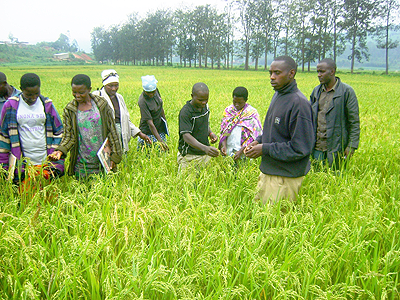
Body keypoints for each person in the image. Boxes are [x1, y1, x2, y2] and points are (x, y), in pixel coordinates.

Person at [245, 56, 314, 205]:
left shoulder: (299, 104)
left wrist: (265, 149)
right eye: (270, 72)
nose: (272, 77)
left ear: (291, 73)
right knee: (261, 218)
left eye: (277, 73)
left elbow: (300, 148)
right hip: (269, 172)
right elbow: (276, 132)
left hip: (284, 178)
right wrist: (259, 141)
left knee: (276, 223)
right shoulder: (278, 95)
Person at [48, 74, 122, 179]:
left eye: (81, 92)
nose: (77, 95)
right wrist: (60, 151)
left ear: (89, 89)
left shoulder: (101, 105)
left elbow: (112, 131)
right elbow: (69, 136)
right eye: (74, 92)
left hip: (103, 161)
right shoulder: (70, 110)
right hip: (82, 164)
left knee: (105, 192)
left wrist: (115, 156)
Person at [0, 73, 64, 193]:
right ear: (21, 89)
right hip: (23, 163)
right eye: (29, 94)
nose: (33, 97)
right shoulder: (11, 105)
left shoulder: (46, 104)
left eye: (36, 93)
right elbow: (3, 136)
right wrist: (3, 165)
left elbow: (59, 131)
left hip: (44, 161)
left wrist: (54, 154)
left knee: (47, 198)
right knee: (26, 198)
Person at [310, 58, 360, 169]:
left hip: (337, 147)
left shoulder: (346, 92)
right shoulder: (316, 91)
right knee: (317, 179)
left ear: (332, 71)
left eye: (322, 71)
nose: (319, 75)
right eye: (318, 72)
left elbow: (354, 122)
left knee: (336, 179)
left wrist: (351, 146)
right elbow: (309, 118)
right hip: (317, 146)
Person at [92, 69, 151, 153]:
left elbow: (126, 120)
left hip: (121, 138)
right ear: (104, 85)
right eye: (110, 86)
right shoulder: (97, 97)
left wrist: (139, 133)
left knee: (123, 161)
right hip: (105, 140)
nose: (114, 88)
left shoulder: (119, 98)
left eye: (116, 85)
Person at [177, 82, 219, 171]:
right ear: (192, 96)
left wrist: (210, 133)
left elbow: (204, 123)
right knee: (185, 183)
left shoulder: (205, 107)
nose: (204, 102)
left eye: (206, 99)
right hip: (189, 156)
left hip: (204, 154)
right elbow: (186, 136)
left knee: (205, 182)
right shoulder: (186, 112)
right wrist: (205, 148)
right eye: (200, 100)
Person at [219, 86, 262, 161]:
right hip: (229, 151)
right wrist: (224, 146)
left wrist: (241, 151)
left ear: (246, 100)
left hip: (245, 153)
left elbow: (254, 136)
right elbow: (225, 132)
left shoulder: (251, 113)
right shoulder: (228, 111)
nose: (237, 105)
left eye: (240, 102)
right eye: (234, 102)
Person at [138, 75, 169, 151]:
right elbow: (150, 123)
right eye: (148, 92)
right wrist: (160, 141)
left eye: (153, 92)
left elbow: (161, 107)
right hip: (148, 132)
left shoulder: (156, 91)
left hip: (159, 128)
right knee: (148, 155)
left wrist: (165, 123)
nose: (151, 94)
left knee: (162, 154)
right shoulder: (142, 102)